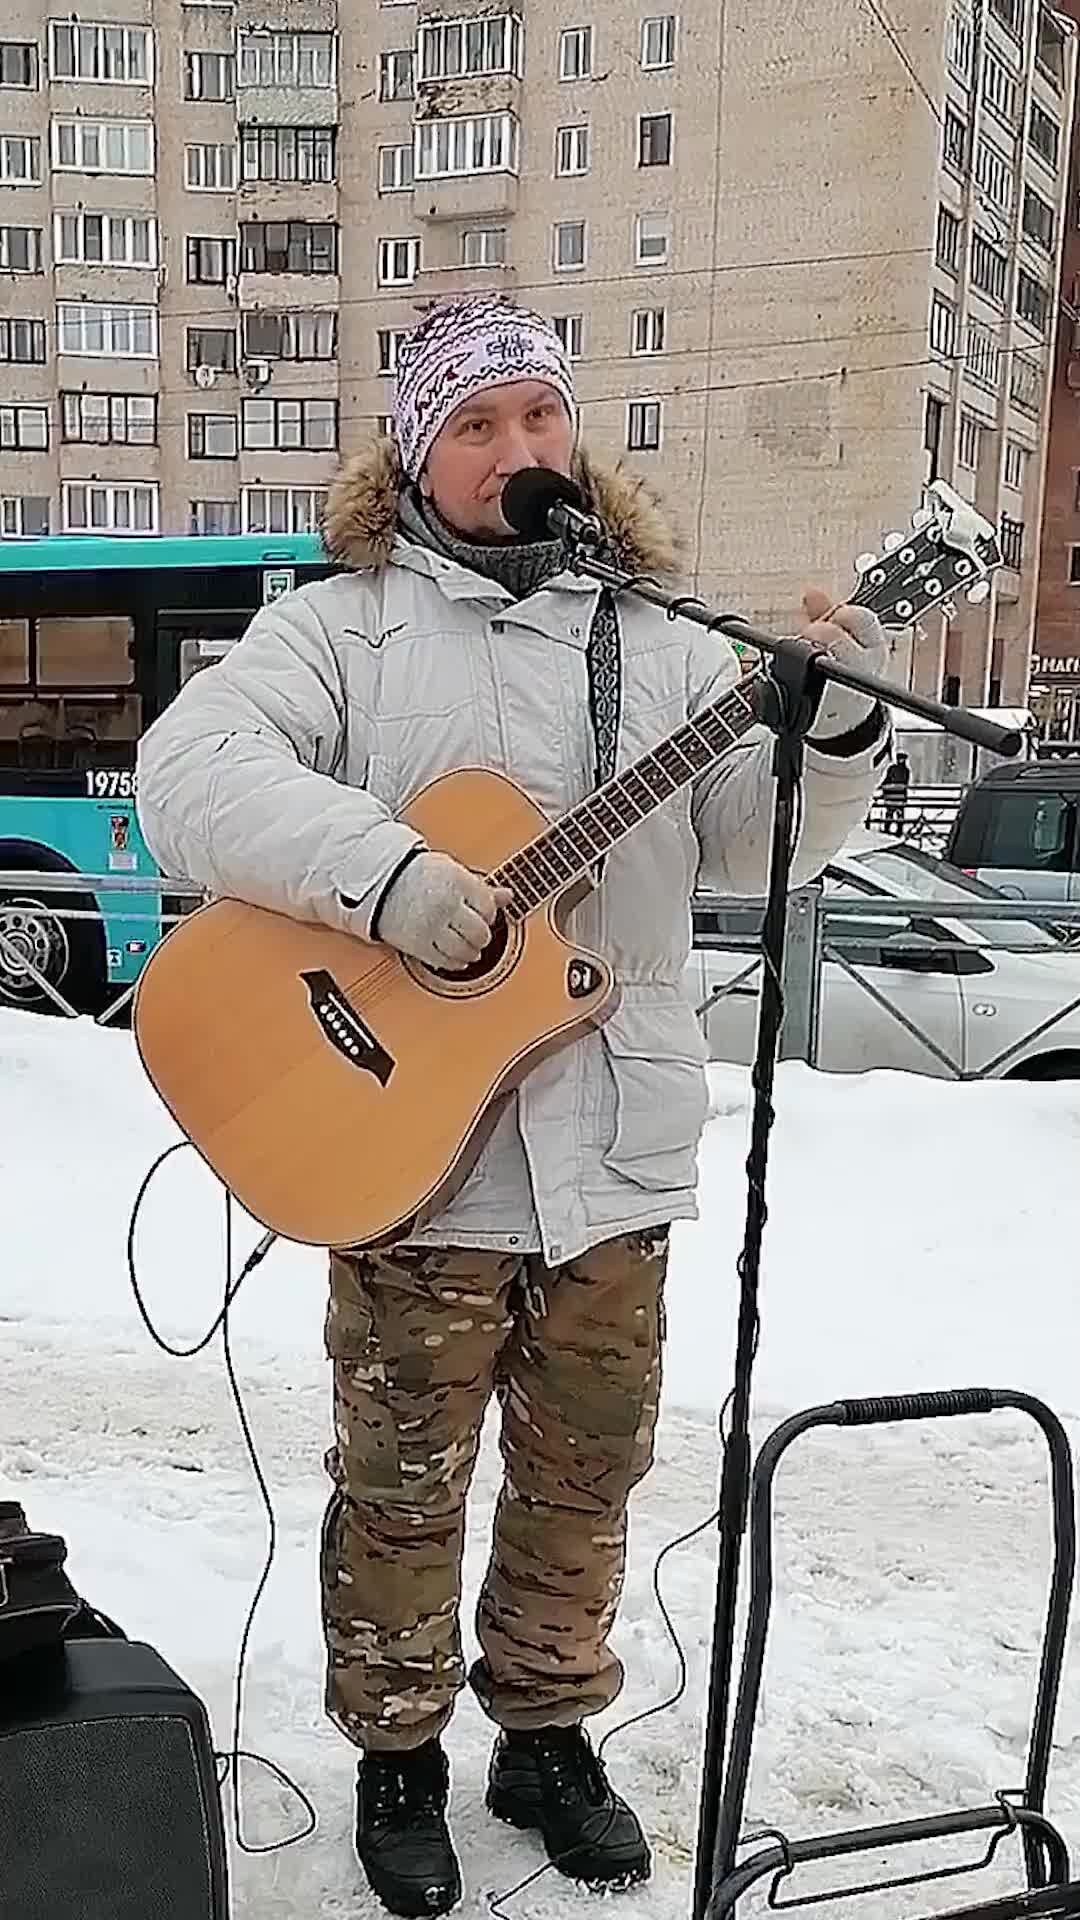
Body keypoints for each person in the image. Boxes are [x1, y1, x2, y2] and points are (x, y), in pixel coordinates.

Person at [136, 293, 892, 1917]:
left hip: (609, 1149)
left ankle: (546, 1732)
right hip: (413, 1152)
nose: (520, 450)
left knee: (587, 1470)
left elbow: (759, 855)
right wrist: (391, 881)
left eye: (539, 417)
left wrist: (835, 738)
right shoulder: (345, 634)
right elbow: (190, 781)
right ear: (421, 455)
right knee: (402, 1477)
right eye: (477, 427)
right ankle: (399, 1754)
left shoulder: (676, 641)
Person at [881, 750, 911, 834]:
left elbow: (886, 781)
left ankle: (890, 829)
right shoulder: (905, 770)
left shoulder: (893, 769)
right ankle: (897, 830)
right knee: (897, 814)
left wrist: (885, 791)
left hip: (893, 795)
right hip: (898, 796)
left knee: (892, 814)